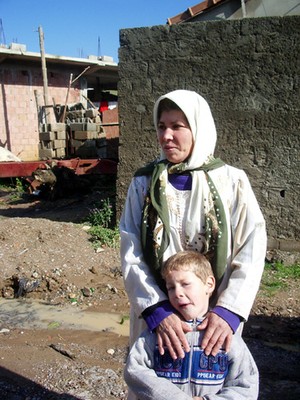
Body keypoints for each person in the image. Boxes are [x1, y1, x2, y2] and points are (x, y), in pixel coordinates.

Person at [120, 89, 266, 393]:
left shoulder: (231, 181)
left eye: (177, 126)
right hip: (158, 318)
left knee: (209, 385)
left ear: (198, 128)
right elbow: (131, 249)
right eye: (161, 127)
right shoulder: (144, 183)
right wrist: (156, 310)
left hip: (212, 316)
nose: (167, 136)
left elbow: (251, 248)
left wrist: (227, 312)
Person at [124, 250, 259, 400]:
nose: (178, 293)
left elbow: (246, 386)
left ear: (209, 284)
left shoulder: (227, 336)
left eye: (185, 284)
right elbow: (134, 370)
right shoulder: (157, 332)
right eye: (171, 287)